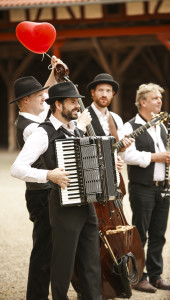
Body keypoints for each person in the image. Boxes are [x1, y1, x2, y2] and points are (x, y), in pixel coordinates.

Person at [11, 81, 102, 300]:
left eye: (78, 102)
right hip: (62, 206)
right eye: (72, 102)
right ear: (58, 105)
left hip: (87, 205)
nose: (77, 106)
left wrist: (109, 167)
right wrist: (48, 174)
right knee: (62, 266)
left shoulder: (77, 130)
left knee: (91, 264)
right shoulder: (43, 133)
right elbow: (17, 168)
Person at [9, 56, 61, 300]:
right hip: (42, 194)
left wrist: (53, 73)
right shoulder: (31, 128)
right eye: (38, 95)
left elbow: (44, 95)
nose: (44, 97)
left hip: (42, 192)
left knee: (47, 248)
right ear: (25, 100)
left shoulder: (33, 118)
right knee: (43, 250)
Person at [123, 83, 170, 293]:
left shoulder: (163, 126)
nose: (160, 101)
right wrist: (155, 157)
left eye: (160, 98)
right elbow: (127, 156)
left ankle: (156, 276)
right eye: (155, 98)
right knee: (140, 234)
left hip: (163, 187)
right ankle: (137, 277)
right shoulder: (130, 127)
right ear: (143, 102)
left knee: (158, 234)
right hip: (142, 188)